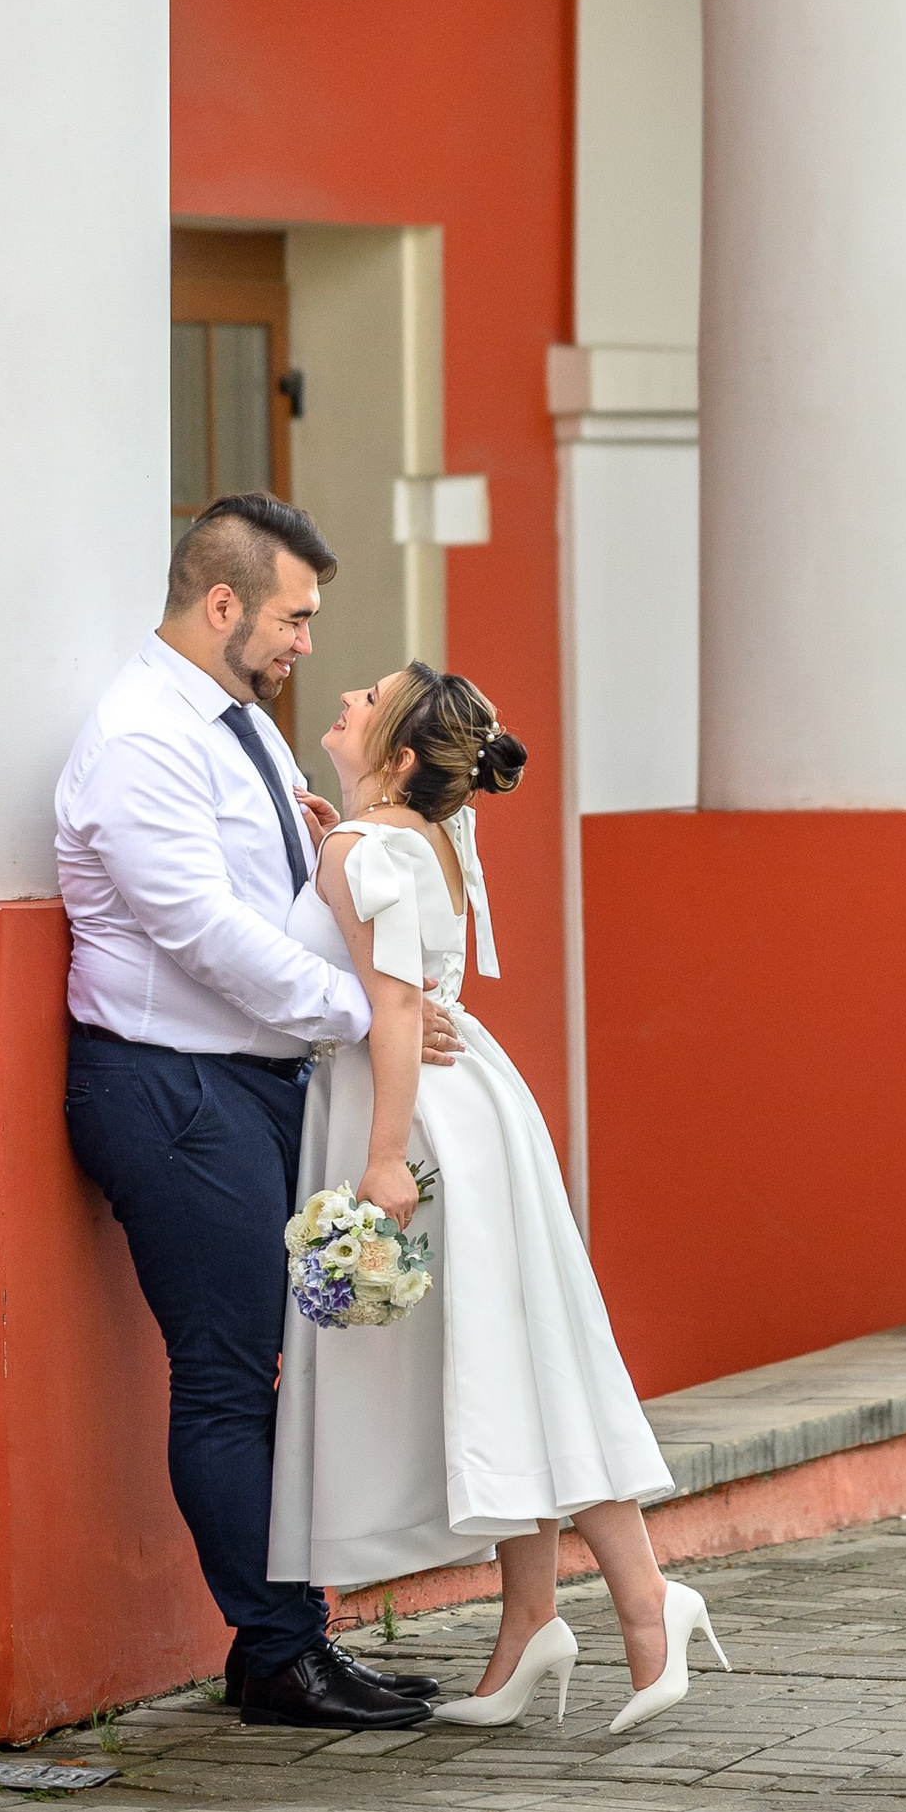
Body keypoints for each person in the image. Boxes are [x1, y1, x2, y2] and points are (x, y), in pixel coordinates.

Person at [269, 663, 728, 1735]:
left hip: (414, 1116)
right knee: (506, 1365)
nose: (344, 692)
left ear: (392, 757)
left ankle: (645, 1601)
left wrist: (381, 1161)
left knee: (515, 1369)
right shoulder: (403, 837)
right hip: (471, 1103)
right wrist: (339, 846)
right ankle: (532, 1620)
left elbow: (387, 1009)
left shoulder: (362, 849)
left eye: (365, 696)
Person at [57, 494, 453, 1733]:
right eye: (293, 617)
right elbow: (198, 933)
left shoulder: (243, 730)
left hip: (242, 1086)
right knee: (230, 1379)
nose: (304, 646)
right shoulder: (140, 736)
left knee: (272, 1373)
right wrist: (361, 1013)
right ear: (222, 603)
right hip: (169, 1088)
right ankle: (279, 1653)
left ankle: (289, 1642)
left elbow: (265, 892)